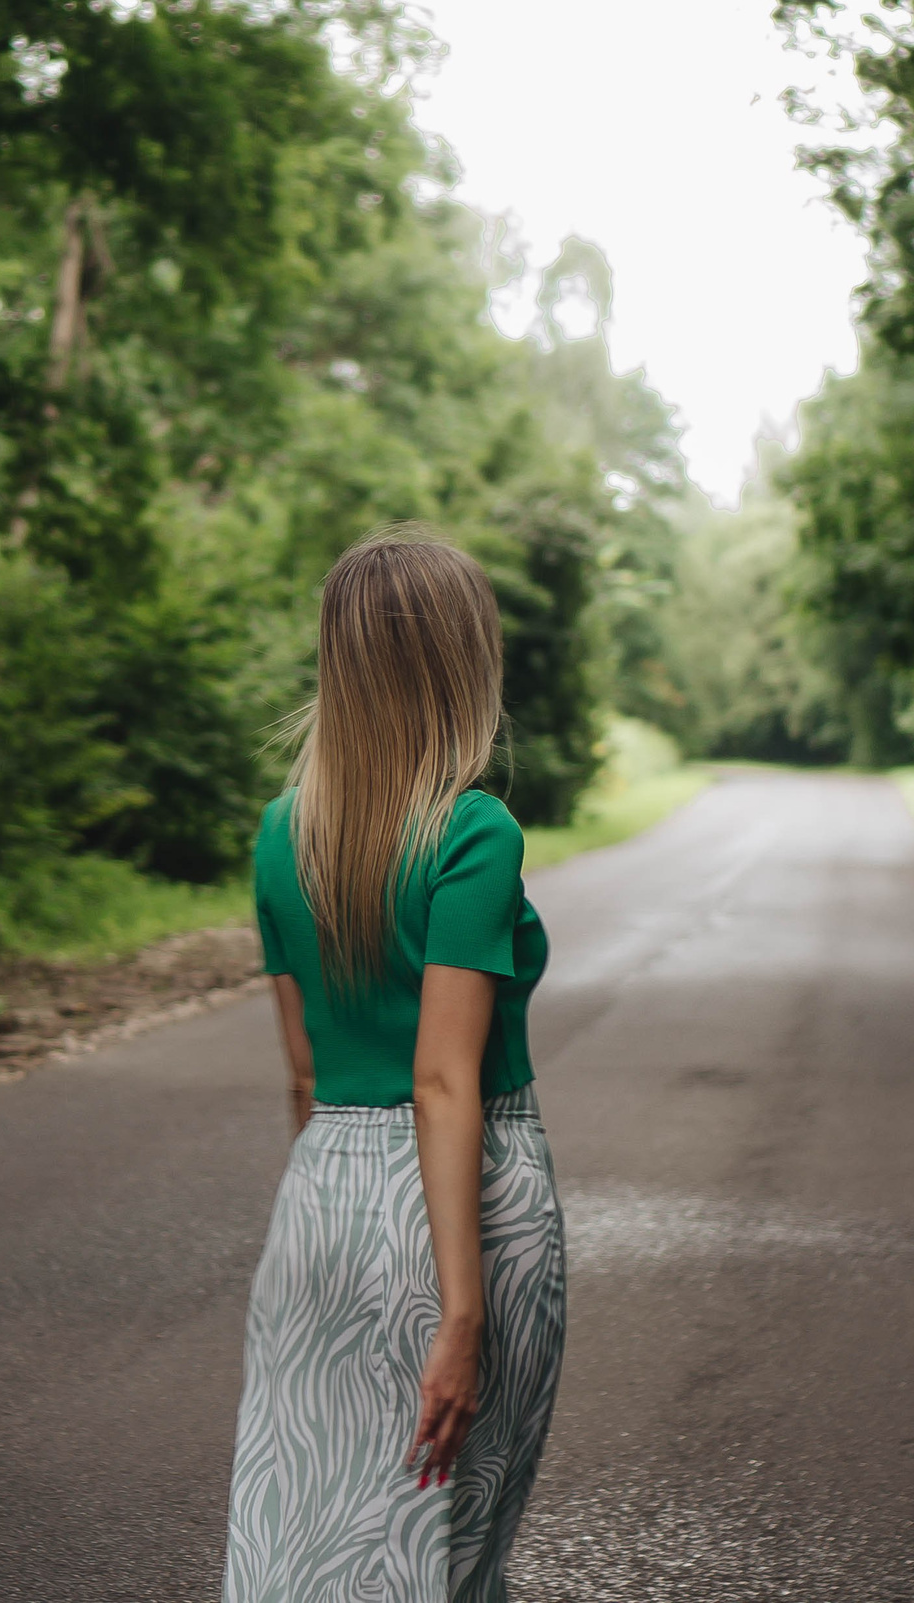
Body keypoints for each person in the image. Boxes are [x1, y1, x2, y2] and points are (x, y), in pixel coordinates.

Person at [223, 527, 566, 1603]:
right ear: (461, 661)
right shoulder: (474, 833)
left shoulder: (282, 835)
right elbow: (443, 1081)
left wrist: (343, 1212)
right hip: (469, 1209)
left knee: (299, 1540)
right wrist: (458, 1313)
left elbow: (302, 1071)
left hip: (320, 1203)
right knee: (452, 1547)